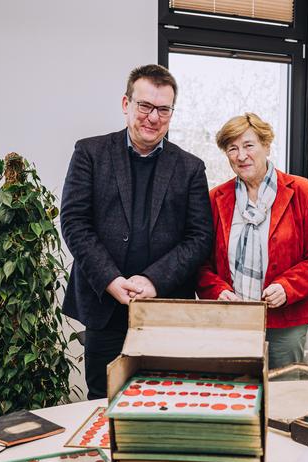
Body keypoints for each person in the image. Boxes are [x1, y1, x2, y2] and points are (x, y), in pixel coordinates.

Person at [61, 64, 213, 399]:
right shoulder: (90, 153)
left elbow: (200, 237)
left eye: (163, 109)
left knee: (164, 402)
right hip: (105, 308)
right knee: (103, 401)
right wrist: (111, 280)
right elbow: (74, 222)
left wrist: (154, 280)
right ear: (126, 103)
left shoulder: (190, 168)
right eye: (145, 106)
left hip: (166, 310)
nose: (153, 117)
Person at [197, 113, 308, 369]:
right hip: (232, 320)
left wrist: (286, 287)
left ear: (266, 145)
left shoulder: (303, 192)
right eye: (232, 149)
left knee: (285, 393)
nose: (241, 155)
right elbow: (201, 262)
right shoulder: (216, 198)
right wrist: (218, 291)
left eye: (249, 145)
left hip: (286, 322)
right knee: (235, 391)